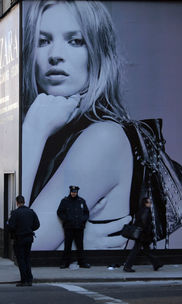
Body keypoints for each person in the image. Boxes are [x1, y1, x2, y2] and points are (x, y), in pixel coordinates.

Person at [22, 0, 132, 251]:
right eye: (43, 41)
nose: (55, 55)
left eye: (75, 41)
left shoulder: (102, 138)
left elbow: (19, 247)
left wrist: (32, 133)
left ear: (98, 53)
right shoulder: (54, 129)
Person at [6, 195, 40, 286]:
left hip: (19, 238)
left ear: (17, 203)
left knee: (21, 260)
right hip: (29, 238)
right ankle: (29, 279)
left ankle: (24, 280)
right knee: (27, 258)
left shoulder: (15, 213)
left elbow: (11, 227)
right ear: (24, 202)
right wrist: (29, 229)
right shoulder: (31, 212)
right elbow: (37, 225)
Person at [123, 197, 163, 272]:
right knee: (135, 250)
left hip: (142, 235)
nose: (150, 204)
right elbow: (144, 224)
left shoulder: (141, 210)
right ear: (145, 203)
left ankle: (156, 263)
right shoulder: (146, 210)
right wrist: (149, 234)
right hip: (142, 235)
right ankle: (127, 266)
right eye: (149, 202)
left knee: (146, 249)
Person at [57, 185, 90, 268]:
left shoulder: (81, 201)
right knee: (67, 246)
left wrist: (83, 221)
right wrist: (66, 219)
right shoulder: (65, 201)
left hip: (79, 227)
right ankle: (65, 263)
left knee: (80, 246)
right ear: (70, 192)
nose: (73, 193)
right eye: (72, 192)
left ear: (77, 192)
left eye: (75, 192)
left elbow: (86, 213)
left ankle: (82, 262)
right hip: (69, 227)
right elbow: (59, 212)